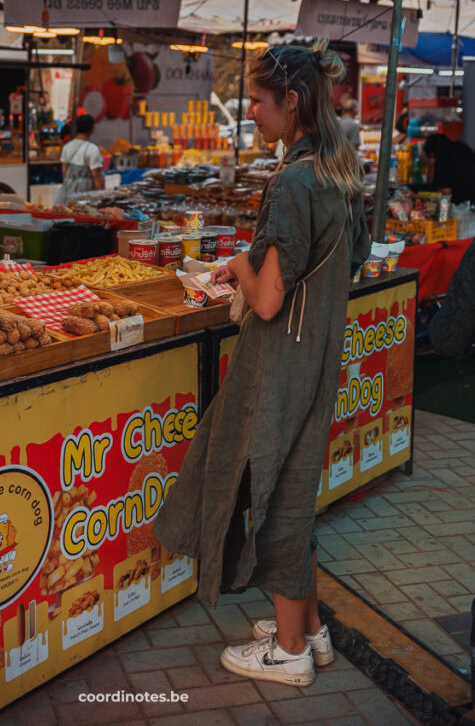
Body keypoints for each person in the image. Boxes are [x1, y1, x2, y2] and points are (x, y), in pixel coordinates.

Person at [154, 43, 370, 688]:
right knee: (295, 487)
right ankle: (309, 630)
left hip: (282, 358)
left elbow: (269, 300)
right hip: (320, 350)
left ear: (292, 101)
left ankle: (287, 650)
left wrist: (238, 265)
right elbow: (353, 256)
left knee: (276, 493)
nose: (250, 112)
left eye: (257, 100)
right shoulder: (341, 168)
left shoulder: (295, 179)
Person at [56, 114, 104, 202]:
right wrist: (101, 195)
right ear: (91, 129)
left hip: (68, 191)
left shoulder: (67, 147)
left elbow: (64, 171)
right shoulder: (92, 149)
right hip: (85, 192)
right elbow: (96, 174)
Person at [423, 133, 475, 205]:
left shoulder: (443, 160)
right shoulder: (461, 149)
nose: (430, 162)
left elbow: (445, 192)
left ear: (432, 154)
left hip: (466, 206)